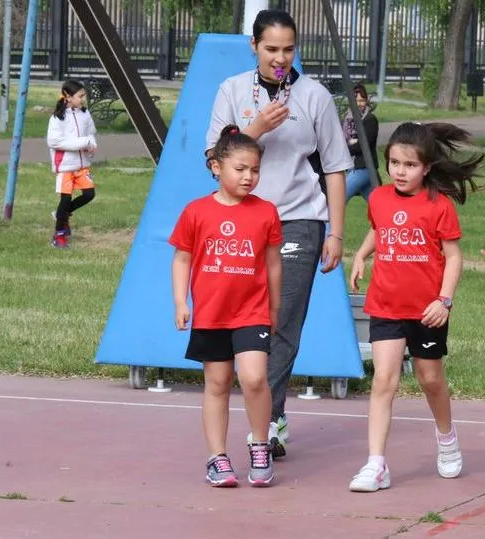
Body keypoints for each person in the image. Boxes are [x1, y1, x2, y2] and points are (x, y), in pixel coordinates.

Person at [206, 9, 354, 458]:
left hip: (298, 220)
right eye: (271, 48)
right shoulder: (232, 90)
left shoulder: (314, 96)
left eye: (288, 49)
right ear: (253, 46)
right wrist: (256, 129)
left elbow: (335, 168)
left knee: (282, 320)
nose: (280, 58)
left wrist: (335, 233)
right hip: (241, 222)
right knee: (243, 322)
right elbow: (214, 159)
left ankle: (268, 424)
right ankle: (267, 411)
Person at [347, 121, 483, 492]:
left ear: (426, 167)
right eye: (394, 163)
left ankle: (447, 437)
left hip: (427, 311)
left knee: (430, 379)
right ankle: (376, 464)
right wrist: (361, 255)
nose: (400, 171)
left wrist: (444, 300)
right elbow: (379, 228)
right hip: (386, 306)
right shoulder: (378, 198)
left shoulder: (439, 206)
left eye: (409, 165)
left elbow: (453, 257)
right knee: (383, 380)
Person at [170, 125, 284, 488]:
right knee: (217, 382)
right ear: (216, 167)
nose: (249, 176)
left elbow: (273, 263)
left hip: (252, 312)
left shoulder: (266, 212)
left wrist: (274, 307)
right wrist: (181, 301)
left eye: (255, 170)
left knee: (254, 378)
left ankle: (260, 445)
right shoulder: (196, 211)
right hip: (211, 314)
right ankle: (217, 458)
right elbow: (182, 259)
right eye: (241, 169)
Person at [46, 80, 97, 250]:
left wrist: (91, 145)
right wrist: (83, 142)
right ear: (68, 97)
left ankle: (63, 214)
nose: (83, 99)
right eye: (80, 96)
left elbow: (91, 134)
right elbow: (54, 142)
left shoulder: (85, 114)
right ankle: (59, 235)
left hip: (82, 165)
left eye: (84, 95)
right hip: (65, 166)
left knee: (89, 194)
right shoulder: (57, 118)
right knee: (65, 199)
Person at [345, 82, 380, 202]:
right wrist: (350, 143)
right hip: (353, 167)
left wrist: (345, 147)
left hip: (364, 168)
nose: (359, 104)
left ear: (366, 101)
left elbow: (362, 146)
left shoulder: (370, 120)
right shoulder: (348, 120)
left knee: (337, 199)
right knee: (377, 206)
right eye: (355, 100)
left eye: (362, 100)